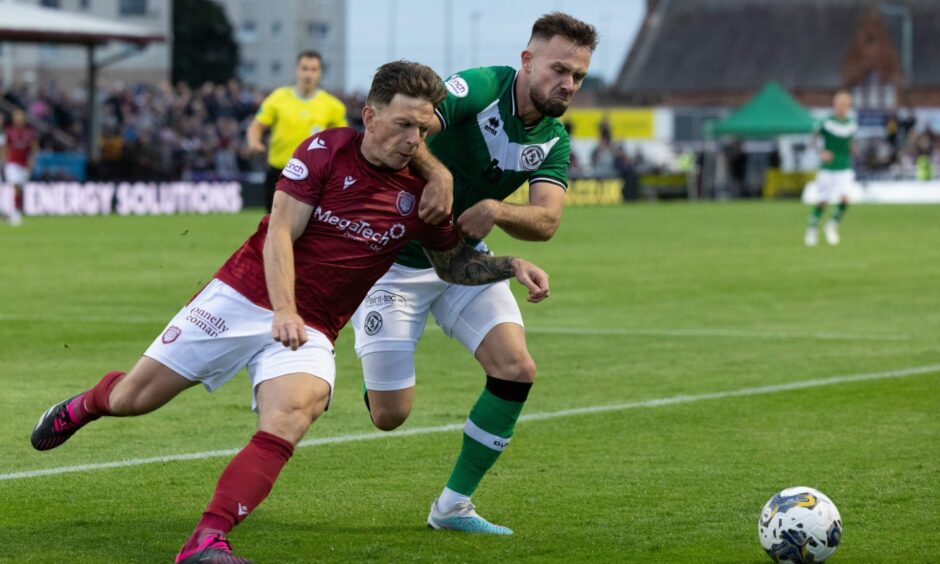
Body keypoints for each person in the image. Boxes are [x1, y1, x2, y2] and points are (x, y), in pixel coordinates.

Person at [29, 61, 550, 564]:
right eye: (402, 125)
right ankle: (91, 402)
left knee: (298, 409)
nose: (414, 140)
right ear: (370, 117)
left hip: (312, 327)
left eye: (421, 128)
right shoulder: (326, 150)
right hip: (241, 298)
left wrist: (510, 265)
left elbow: (451, 265)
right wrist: (283, 308)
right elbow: (280, 230)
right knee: (133, 399)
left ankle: (206, 540)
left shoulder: (421, 194)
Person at [350, 12, 597, 535]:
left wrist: (499, 211)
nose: (568, 84)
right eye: (559, 69)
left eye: (578, 76)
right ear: (527, 61)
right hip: (394, 266)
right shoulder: (481, 86)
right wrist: (438, 175)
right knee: (389, 416)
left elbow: (547, 220)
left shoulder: (553, 138)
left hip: (463, 260)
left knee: (516, 368)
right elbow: (411, 130)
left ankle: (452, 506)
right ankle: (370, 376)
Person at [247, 50, 348, 213]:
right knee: (272, 226)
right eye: (304, 68)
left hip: (313, 176)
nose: (308, 74)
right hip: (279, 172)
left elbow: (343, 140)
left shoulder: (333, 106)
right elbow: (256, 126)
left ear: (320, 73)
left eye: (313, 69)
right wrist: (254, 142)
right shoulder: (278, 98)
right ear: (296, 70)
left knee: (308, 230)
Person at [804, 90, 857, 246]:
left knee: (845, 198)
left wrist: (852, 148)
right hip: (828, 168)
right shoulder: (826, 122)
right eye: (840, 104)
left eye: (846, 104)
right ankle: (812, 228)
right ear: (835, 105)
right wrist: (821, 152)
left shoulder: (851, 125)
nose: (843, 107)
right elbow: (812, 141)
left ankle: (831, 225)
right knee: (822, 201)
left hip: (844, 166)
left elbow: (849, 143)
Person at [2, 108, 37, 225]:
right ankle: (13, 213)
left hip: (24, 164)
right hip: (12, 163)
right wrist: (3, 161)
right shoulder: (9, 131)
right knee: (15, 186)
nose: (19, 120)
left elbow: (34, 147)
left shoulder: (29, 132)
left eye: (21, 117)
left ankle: (16, 210)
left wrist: (32, 161)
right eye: (17, 117)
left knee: (20, 189)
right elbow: (5, 147)